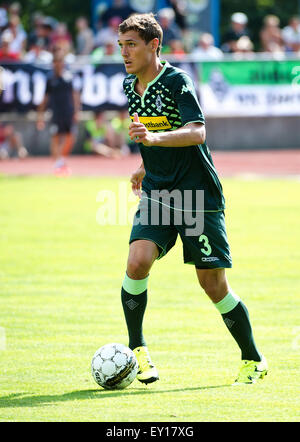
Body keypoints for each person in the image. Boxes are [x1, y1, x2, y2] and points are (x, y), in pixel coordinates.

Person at [117, 13, 268, 385]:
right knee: (137, 262)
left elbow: (196, 132)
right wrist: (144, 163)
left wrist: (151, 142)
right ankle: (138, 350)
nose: (124, 52)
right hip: (158, 190)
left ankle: (253, 359)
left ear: (154, 45)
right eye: (121, 45)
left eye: (131, 44)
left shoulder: (176, 81)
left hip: (197, 196)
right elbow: (148, 133)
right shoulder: (128, 85)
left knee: (212, 285)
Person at [36, 49, 81, 175]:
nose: (58, 64)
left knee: (70, 137)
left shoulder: (69, 77)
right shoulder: (49, 79)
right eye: (56, 61)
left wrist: (76, 111)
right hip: (55, 113)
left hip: (68, 112)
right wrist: (40, 117)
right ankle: (58, 164)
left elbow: (74, 96)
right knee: (55, 138)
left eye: (60, 61)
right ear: (53, 63)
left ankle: (61, 159)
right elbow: (44, 99)